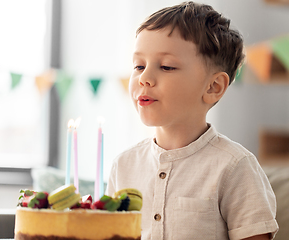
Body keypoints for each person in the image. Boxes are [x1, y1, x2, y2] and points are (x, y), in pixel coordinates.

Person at [106, 1, 279, 239]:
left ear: (213, 87)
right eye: (139, 65)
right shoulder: (123, 165)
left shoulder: (235, 166)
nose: (144, 78)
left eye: (166, 66)